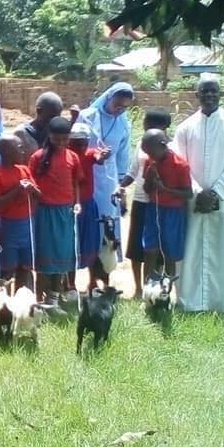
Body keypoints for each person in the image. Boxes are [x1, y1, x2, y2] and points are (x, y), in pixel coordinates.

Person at [172, 74, 224, 313]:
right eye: (205, 91)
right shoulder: (185, 128)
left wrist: (215, 193)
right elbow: (180, 164)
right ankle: (193, 302)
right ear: (196, 95)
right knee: (193, 250)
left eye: (214, 91)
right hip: (194, 201)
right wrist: (198, 192)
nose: (209, 95)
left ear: (220, 94)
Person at [30, 117, 83, 307]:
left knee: (62, 255)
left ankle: (55, 297)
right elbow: (31, 183)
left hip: (65, 212)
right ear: (49, 136)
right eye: (57, 139)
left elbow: (76, 182)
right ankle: (39, 300)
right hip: (44, 213)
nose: (61, 143)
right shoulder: (37, 157)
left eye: (65, 139)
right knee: (44, 257)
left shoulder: (73, 157)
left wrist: (77, 203)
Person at [77, 82, 135, 253]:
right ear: (108, 98)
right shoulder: (87, 116)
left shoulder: (124, 124)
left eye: (124, 107)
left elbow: (123, 155)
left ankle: (103, 270)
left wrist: (121, 183)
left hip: (109, 178)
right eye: (117, 104)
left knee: (107, 223)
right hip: (87, 174)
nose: (119, 109)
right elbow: (76, 144)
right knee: (87, 220)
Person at [121, 108, 172, 297]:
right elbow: (133, 171)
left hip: (159, 203)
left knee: (156, 248)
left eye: (150, 125)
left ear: (164, 128)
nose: (146, 129)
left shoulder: (171, 148)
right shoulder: (141, 146)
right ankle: (138, 288)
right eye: (145, 125)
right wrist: (121, 186)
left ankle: (154, 287)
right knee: (136, 246)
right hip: (140, 200)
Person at [140, 129, 192, 280]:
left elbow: (188, 194)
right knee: (150, 250)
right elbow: (146, 189)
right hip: (153, 209)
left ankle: (167, 292)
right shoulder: (150, 161)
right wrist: (149, 178)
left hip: (173, 212)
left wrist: (165, 190)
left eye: (152, 152)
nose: (150, 156)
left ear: (163, 145)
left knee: (169, 253)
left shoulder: (180, 164)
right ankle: (147, 290)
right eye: (147, 153)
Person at [0, 137, 38, 289]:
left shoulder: (24, 170)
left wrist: (32, 190)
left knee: (26, 267)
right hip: (9, 226)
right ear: (7, 152)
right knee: (8, 268)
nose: (23, 151)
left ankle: (24, 301)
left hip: (26, 224)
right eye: (19, 147)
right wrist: (17, 190)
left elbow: (37, 194)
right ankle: (3, 304)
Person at [66, 123, 111, 289]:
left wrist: (104, 156)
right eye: (77, 141)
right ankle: (70, 284)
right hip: (70, 206)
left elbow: (98, 158)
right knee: (70, 244)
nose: (81, 145)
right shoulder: (67, 156)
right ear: (70, 141)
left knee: (91, 244)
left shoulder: (90, 153)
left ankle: (92, 281)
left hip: (88, 205)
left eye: (84, 141)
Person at [15, 91, 63, 164]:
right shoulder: (21, 134)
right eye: (51, 116)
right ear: (39, 111)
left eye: (58, 117)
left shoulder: (56, 133)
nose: (54, 121)